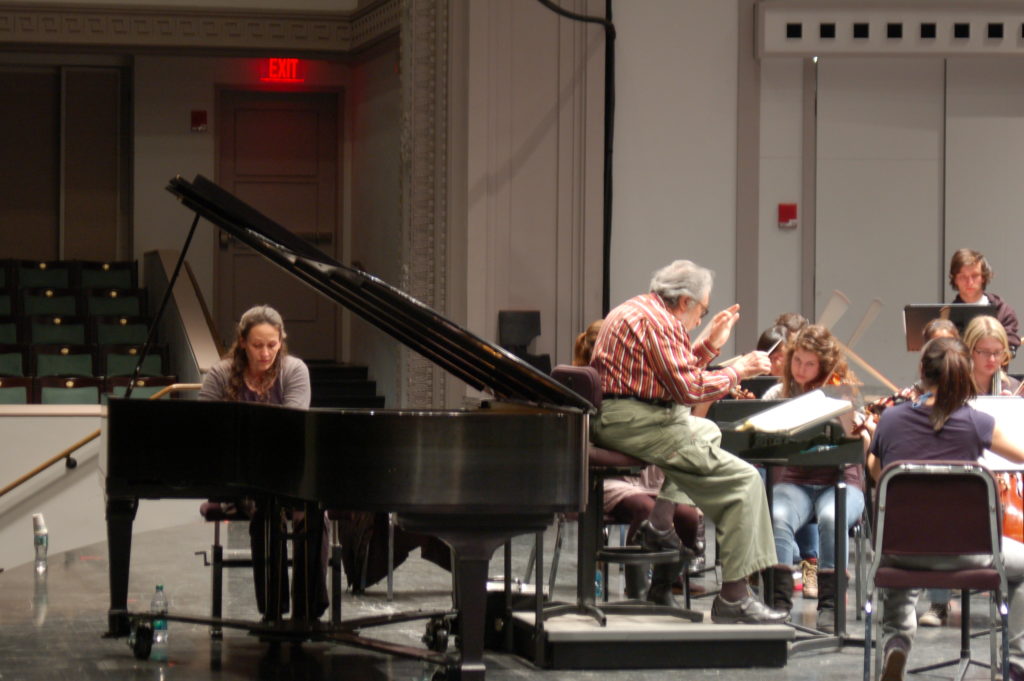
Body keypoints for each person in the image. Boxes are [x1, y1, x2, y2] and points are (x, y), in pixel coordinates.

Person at [589, 259, 786, 624]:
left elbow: (670, 372)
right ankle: (735, 598)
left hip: (627, 416)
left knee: (707, 431)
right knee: (745, 482)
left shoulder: (641, 310)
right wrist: (737, 370)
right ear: (683, 301)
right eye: (702, 311)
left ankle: (659, 525)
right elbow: (689, 389)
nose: (699, 319)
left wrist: (709, 345)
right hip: (634, 421)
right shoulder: (659, 321)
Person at [866, 337, 1024, 681]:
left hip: (899, 553)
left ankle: (896, 641)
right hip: (969, 554)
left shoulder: (890, 419)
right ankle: (1017, 663)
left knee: (904, 542)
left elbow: (878, 472)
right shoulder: (977, 423)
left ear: (922, 371)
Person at [199, 305, 329, 620]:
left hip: (289, 473)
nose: (266, 352)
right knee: (264, 511)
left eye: (272, 344)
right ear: (242, 342)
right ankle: (272, 609)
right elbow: (204, 425)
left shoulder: (294, 370)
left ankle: (307, 610)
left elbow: (293, 427)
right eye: (258, 345)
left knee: (312, 517)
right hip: (241, 476)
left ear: (281, 341)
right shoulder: (221, 373)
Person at [574, 321, 706, 599]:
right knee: (646, 509)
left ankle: (662, 586)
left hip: (652, 477)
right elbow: (579, 445)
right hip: (607, 480)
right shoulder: (585, 388)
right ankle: (636, 591)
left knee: (688, 516)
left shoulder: (645, 382)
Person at [760, 325, 866, 630]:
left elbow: (862, 446)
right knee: (778, 515)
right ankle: (777, 603)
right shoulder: (780, 394)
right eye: (797, 362)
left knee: (833, 518)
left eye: (810, 364)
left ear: (823, 365)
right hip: (796, 480)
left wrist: (846, 411)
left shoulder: (843, 391)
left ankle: (830, 605)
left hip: (841, 480)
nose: (801, 370)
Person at [949, 248, 1020, 354]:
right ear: (955, 279)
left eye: (974, 275)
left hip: (995, 370)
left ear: (983, 277)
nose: (970, 282)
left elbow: (1010, 346)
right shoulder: (946, 316)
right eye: (963, 276)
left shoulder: (1003, 311)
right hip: (960, 370)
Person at [963, 315, 1020, 396]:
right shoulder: (956, 387)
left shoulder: (1014, 388)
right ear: (970, 350)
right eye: (985, 352)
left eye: (997, 352)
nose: (992, 359)